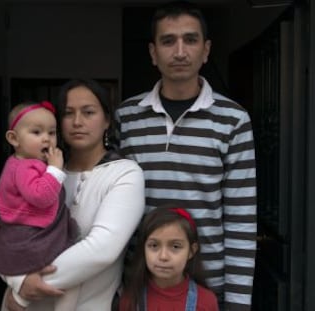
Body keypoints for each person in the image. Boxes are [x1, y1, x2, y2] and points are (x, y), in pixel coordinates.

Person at [115, 1, 257, 310]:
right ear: (153, 53)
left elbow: (241, 219)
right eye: (168, 41)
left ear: (206, 50)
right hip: (139, 285)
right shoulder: (126, 117)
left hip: (207, 285)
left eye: (190, 40)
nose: (180, 51)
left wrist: (238, 302)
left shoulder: (233, 120)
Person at [0, 78, 146, 311]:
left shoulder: (125, 174)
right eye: (68, 113)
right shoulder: (38, 173)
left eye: (88, 112)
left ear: (107, 120)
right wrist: (17, 281)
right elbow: (8, 231)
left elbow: (101, 250)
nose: (78, 122)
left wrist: (24, 289)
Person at [0, 100, 78, 309]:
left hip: (33, 227)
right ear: (14, 139)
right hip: (27, 233)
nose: (46, 138)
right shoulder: (24, 167)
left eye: (52, 132)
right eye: (36, 132)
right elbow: (41, 197)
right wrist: (56, 169)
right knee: (38, 259)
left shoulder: (28, 163)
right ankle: (19, 290)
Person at [119, 207, 218, 311]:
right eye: (154, 245)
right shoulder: (131, 299)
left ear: (191, 251)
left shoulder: (206, 302)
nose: (163, 256)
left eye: (175, 246)